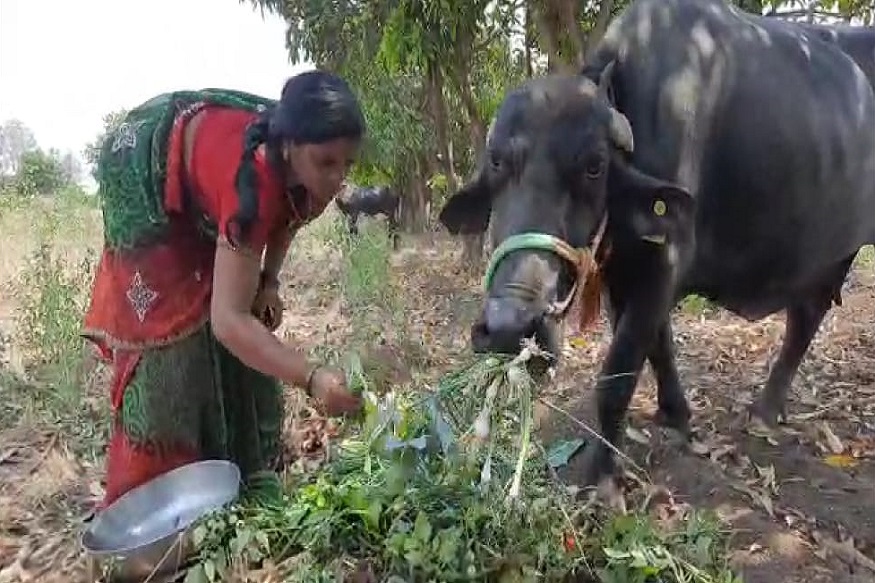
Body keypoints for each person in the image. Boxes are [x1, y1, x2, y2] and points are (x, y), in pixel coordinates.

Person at [82, 70, 366, 509]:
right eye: (327, 163)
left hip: (216, 185)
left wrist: (269, 281)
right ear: (289, 146)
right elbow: (228, 322)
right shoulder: (252, 176)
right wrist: (311, 377)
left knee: (242, 298)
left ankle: (244, 466)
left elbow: (289, 215)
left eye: (347, 164)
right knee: (172, 330)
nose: (337, 178)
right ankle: (154, 487)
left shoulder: (309, 166)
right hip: (145, 169)